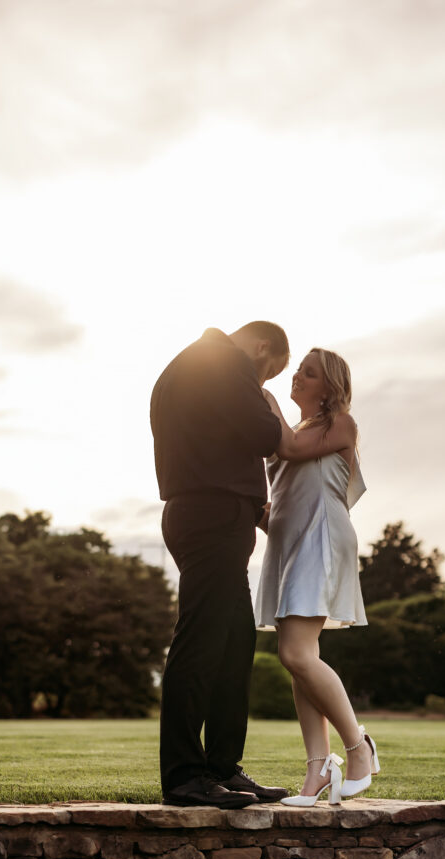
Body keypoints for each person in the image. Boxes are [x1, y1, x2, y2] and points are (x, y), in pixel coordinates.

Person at [150, 322, 291, 808]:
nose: (265, 384)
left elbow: (213, 443)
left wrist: (256, 511)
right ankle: (185, 777)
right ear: (261, 346)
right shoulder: (226, 361)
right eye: (269, 373)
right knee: (201, 643)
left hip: (208, 514)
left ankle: (222, 768)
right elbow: (262, 433)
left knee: (234, 643)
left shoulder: (187, 368)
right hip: (211, 517)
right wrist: (272, 414)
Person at [256, 348, 380, 805]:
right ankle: (318, 771)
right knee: (298, 659)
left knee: (295, 653)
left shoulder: (340, 424)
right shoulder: (297, 431)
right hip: (289, 546)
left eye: (308, 373)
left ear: (328, 387)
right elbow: (285, 506)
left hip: (322, 542)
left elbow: (288, 448)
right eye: (298, 371)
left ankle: (357, 747)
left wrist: (264, 398)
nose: (296, 377)